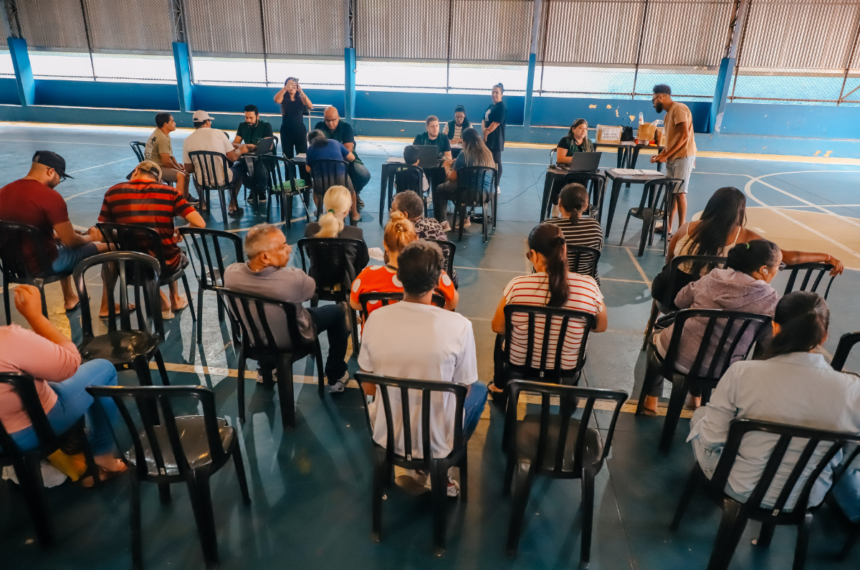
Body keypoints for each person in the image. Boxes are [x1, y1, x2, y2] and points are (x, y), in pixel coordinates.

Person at [686, 292, 860, 512]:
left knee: (700, 416)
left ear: (775, 328)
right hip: (806, 497)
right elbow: (850, 458)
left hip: (740, 487)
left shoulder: (742, 373)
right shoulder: (853, 389)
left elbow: (713, 440)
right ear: (824, 337)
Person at [357, 240, 486, 496]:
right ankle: (441, 472)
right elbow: (465, 390)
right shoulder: (459, 325)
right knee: (480, 390)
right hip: (438, 441)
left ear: (399, 277)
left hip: (387, 434)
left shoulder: (375, 320)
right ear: (438, 280)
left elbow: (369, 387)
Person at [0, 285, 125, 487]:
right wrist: (35, 317)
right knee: (105, 370)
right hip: (33, 430)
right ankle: (103, 455)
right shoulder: (7, 339)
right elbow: (69, 365)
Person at [640, 239, 782, 415]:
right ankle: (696, 397)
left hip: (677, 358)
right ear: (764, 270)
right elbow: (767, 343)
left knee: (657, 336)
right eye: (779, 266)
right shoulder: (771, 301)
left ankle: (651, 399)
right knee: (712, 347)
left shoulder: (712, 278)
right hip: (725, 369)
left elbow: (679, 301)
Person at [655, 187, 844, 305]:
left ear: (711, 205)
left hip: (668, 294)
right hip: (710, 303)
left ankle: (652, 323)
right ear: (740, 212)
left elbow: (669, 262)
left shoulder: (687, 228)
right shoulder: (744, 236)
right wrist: (827, 257)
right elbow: (786, 257)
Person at [223, 224, 351, 393]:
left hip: (253, 339)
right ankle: (336, 375)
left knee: (260, 317)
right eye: (283, 246)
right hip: (293, 339)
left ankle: (265, 369)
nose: (289, 249)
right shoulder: (292, 279)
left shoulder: (230, 274)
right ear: (265, 257)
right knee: (339, 311)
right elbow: (311, 289)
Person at [488, 223, 608, 403]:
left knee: (501, 336)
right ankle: (569, 397)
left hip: (520, 364)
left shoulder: (517, 286)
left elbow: (497, 327)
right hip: (568, 367)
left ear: (534, 255)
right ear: (564, 249)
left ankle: (499, 387)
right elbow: (601, 327)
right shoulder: (589, 286)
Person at [0, 151, 108, 311]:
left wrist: (58, 236)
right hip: (45, 265)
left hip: (12, 265)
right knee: (109, 246)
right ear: (51, 171)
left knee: (60, 245)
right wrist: (91, 237)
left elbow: (27, 232)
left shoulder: (4, 192)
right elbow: (71, 241)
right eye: (60, 177)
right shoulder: (49, 196)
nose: (58, 182)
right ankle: (108, 306)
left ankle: (70, 297)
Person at [96, 161, 206, 316]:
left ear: (135, 171)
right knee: (171, 245)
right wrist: (179, 230)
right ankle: (175, 298)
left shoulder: (113, 192)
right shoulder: (170, 193)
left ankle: (106, 305)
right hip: (165, 266)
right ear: (158, 179)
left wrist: (125, 235)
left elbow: (103, 233)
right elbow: (200, 223)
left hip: (129, 266)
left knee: (112, 254)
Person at [349, 212, 458, 321]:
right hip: (423, 330)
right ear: (416, 241)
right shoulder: (436, 275)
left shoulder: (368, 276)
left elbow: (355, 304)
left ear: (385, 245)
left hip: (378, 331)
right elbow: (452, 302)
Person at [181, 110, 250, 218]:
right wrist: (241, 151)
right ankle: (233, 204)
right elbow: (232, 158)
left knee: (196, 174)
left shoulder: (187, 140)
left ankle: (202, 203)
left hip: (202, 181)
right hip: (223, 179)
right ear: (207, 122)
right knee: (240, 167)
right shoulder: (218, 133)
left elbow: (188, 169)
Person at [650, 84, 696, 235]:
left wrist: (666, 155)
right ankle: (667, 226)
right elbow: (672, 140)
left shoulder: (679, 108)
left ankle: (681, 230)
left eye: (654, 99)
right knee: (671, 192)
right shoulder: (668, 114)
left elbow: (684, 136)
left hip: (683, 157)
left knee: (680, 192)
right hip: (673, 157)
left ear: (661, 97)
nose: (653, 103)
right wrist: (662, 154)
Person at [391, 190, 458, 288]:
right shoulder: (434, 223)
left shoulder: (403, 233)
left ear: (405, 215)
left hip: (417, 284)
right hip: (445, 279)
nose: (390, 214)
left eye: (392, 211)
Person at [433, 127, 496, 232]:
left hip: (469, 194)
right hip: (487, 193)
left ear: (465, 141)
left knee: (441, 189)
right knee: (459, 188)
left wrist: (447, 166)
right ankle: (465, 218)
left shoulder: (464, 154)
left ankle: (444, 223)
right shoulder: (488, 153)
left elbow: (451, 178)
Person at [304, 185, 369, 280]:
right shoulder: (356, 234)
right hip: (348, 285)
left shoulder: (310, 229)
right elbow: (363, 261)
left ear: (326, 206)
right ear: (346, 211)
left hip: (316, 283)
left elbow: (310, 255)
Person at [546, 183, 604, 284]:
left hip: (555, 283)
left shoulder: (548, 227)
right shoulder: (595, 227)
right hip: (585, 285)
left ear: (559, 203)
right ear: (586, 206)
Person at [314, 106, 372, 204]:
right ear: (324, 119)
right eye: (327, 120)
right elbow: (316, 147)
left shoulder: (346, 127)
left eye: (333, 120)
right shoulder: (319, 127)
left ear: (338, 117)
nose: (331, 123)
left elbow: (348, 149)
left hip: (347, 159)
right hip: (325, 161)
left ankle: (355, 192)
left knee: (364, 175)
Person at [305, 130, 360, 223]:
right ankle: (354, 214)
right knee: (352, 192)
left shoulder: (310, 149)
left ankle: (320, 212)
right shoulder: (335, 143)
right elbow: (352, 157)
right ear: (324, 136)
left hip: (321, 183)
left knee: (316, 193)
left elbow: (308, 169)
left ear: (310, 142)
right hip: (341, 180)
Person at [232, 104, 275, 201]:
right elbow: (235, 144)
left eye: (251, 118)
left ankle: (262, 190)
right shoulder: (242, 126)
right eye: (246, 117)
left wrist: (255, 147)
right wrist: (244, 147)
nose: (248, 120)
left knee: (260, 167)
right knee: (237, 169)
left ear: (257, 116)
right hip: (248, 157)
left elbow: (269, 145)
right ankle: (253, 188)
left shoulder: (266, 125)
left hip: (264, 157)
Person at [144, 112, 190, 201]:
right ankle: (179, 202)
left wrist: (179, 167)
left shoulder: (162, 134)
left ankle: (186, 197)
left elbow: (171, 157)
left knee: (183, 168)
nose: (175, 123)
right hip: (154, 169)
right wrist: (179, 170)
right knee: (182, 175)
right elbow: (166, 161)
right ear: (165, 124)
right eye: (172, 121)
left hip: (156, 165)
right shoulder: (162, 138)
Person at [273, 77, 312, 159]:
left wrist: (301, 91)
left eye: (293, 84)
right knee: (287, 157)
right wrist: (285, 89)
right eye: (289, 84)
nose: (291, 87)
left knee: (303, 156)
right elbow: (276, 100)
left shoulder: (300, 98)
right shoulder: (283, 98)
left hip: (300, 131)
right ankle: (289, 168)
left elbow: (310, 106)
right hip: (286, 132)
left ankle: (303, 169)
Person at [482, 83, 507, 192]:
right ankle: (486, 182)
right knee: (485, 161)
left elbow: (496, 123)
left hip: (496, 139)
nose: (494, 94)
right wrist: (484, 130)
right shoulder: (490, 106)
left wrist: (487, 132)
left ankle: (496, 185)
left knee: (496, 161)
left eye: (497, 92)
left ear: (501, 94)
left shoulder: (502, 107)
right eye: (493, 92)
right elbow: (483, 119)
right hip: (487, 138)